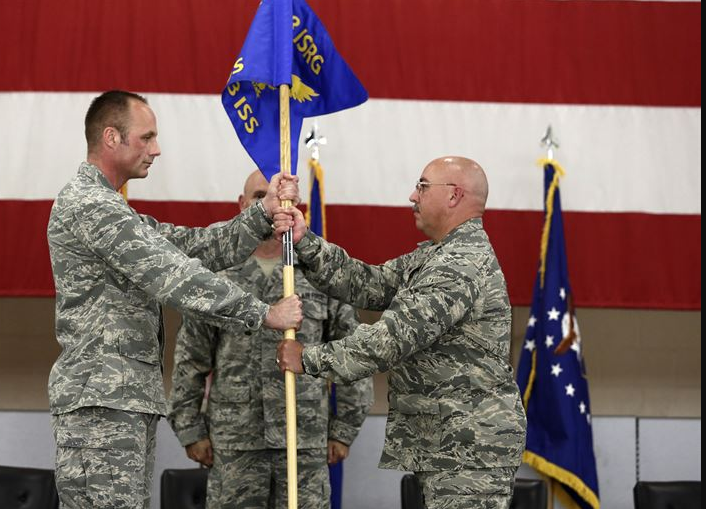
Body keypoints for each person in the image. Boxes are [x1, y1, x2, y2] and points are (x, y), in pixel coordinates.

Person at [47, 90, 303, 509]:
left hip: (120, 398)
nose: (156, 149)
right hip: (102, 402)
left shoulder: (113, 209)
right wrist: (263, 313)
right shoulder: (90, 205)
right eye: (146, 137)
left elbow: (190, 247)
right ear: (111, 138)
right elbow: (173, 275)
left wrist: (261, 214)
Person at [276, 156, 527, 509]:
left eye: (422, 186)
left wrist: (309, 359)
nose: (413, 195)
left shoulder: (460, 265)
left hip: (469, 447)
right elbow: (370, 283)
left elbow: (391, 338)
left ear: (454, 195)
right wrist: (306, 243)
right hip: (448, 442)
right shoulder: (437, 256)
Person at [168, 170, 373, 509]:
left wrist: (343, 429)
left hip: (304, 443)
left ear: (296, 206)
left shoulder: (320, 272)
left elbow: (352, 354)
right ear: (243, 205)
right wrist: (191, 430)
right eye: (261, 195)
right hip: (234, 445)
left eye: (284, 197)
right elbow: (190, 359)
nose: (275, 204)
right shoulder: (217, 277)